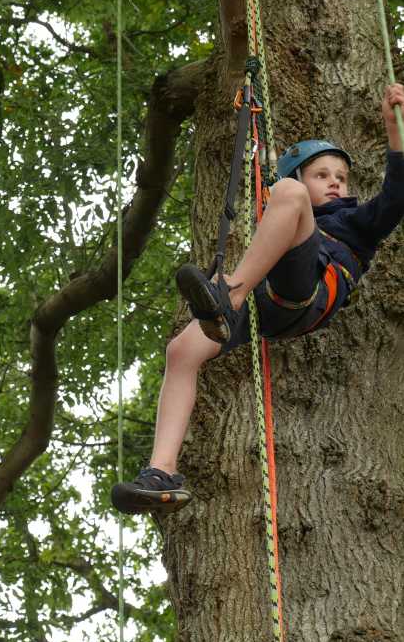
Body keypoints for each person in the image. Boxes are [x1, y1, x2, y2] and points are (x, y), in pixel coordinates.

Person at [111, 83, 404, 516]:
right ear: (302, 173)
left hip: (306, 292)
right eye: (323, 175)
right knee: (182, 350)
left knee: (286, 198)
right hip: (267, 303)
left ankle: (228, 294)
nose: (337, 185)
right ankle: (162, 472)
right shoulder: (282, 217)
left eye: (341, 178)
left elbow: (397, 197)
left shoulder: (356, 222)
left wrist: (394, 130)